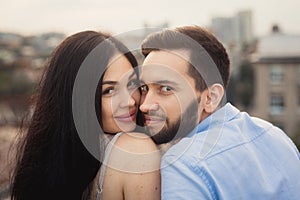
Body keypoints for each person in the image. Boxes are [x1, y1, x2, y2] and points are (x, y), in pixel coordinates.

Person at [139, 25, 300, 199]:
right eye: (144, 88)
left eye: (165, 88)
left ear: (210, 98)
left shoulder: (183, 164)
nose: (145, 105)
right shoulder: (275, 135)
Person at [9, 30, 160, 200]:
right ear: (79, 99)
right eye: (108, 90)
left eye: (132, 83)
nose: (130, 102)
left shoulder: (49, 165)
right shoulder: (136, 150)